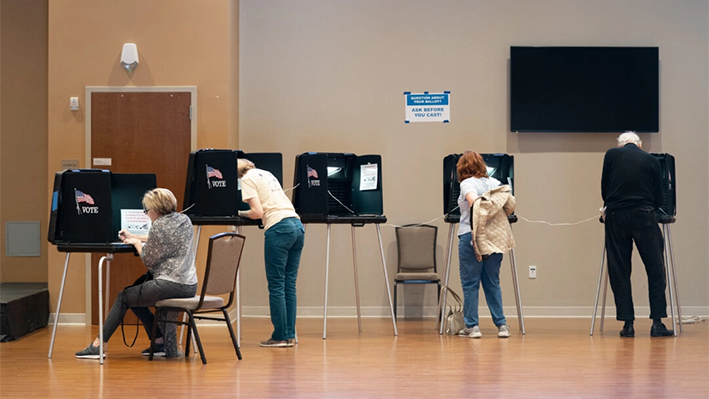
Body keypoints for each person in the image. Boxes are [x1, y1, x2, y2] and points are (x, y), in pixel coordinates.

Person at [75, 188, 198, 359]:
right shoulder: (184, 220)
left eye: (147, 211)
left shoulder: (159, 226)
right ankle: (159, 342)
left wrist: (136, 244)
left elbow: (148, 259)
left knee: (124, 297)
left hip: (170, 284)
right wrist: (136, 236)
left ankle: (98, 345)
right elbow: (162, 239)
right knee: (135, 293)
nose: (147, 214)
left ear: (155, 210)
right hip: (189, 285)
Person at [601, 131, 673, 338]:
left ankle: (628, 324)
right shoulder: (651, 160)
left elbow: (605, 191)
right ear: (639, 145)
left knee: (620, 270)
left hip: (616, 216)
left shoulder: (611, 155)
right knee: (655, 267)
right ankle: (657, 323)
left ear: (620, 145)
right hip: (644, 216)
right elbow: (659, 197)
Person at [238, 159, 304, 348]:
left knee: (276, 284)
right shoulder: (267, 173)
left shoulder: (247, 179)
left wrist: (240, 213)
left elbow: (257, 212)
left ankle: (280, 337)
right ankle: (289, 334)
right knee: (289, 284)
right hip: (297, 225)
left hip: (279, 228)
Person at [455, 151, 516, 339]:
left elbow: (474, 203)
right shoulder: (496, 183)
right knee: (492, 282)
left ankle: (472, 327)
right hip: (495, 238)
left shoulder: (467, 183)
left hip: (471, 237)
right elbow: (510, 204)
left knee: (470, 283)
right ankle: (502, 326)